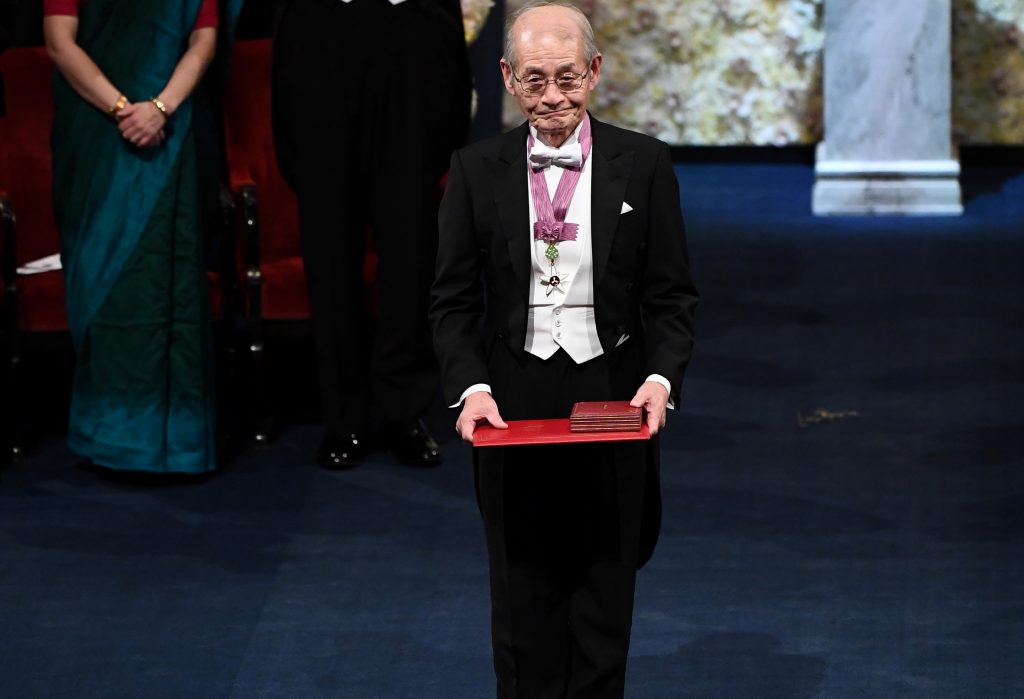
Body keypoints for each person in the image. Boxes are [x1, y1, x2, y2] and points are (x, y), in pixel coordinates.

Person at [430, 2, 699, 696]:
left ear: (596, 73)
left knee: (605, 598)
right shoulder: (474, 169)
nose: (553, 98)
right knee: (523, 604)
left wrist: (661, 381)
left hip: (612, 393)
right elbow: (453, 302)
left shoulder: (643, 164)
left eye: (569, 79)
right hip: (512, 402)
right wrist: (472, 388)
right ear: (508, 78)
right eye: (536, 80)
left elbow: (671, 298)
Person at [271, 0, 472, 469]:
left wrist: (443, 141)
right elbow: (289, 51)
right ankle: (344, 419)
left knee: (409, 269)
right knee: (332, 271)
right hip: (324, 100)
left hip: (407, 102)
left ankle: (403, 414)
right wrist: (295, 149)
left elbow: (447, 44)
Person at [44, 0, 219, 475]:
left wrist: (161, 107)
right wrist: (123, 109)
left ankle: (177, 443)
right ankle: (111, 436)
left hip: (170, 134)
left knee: (168, 281)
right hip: (96, 139)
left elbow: (204, 39)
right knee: (105, 284)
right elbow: (60, 43)